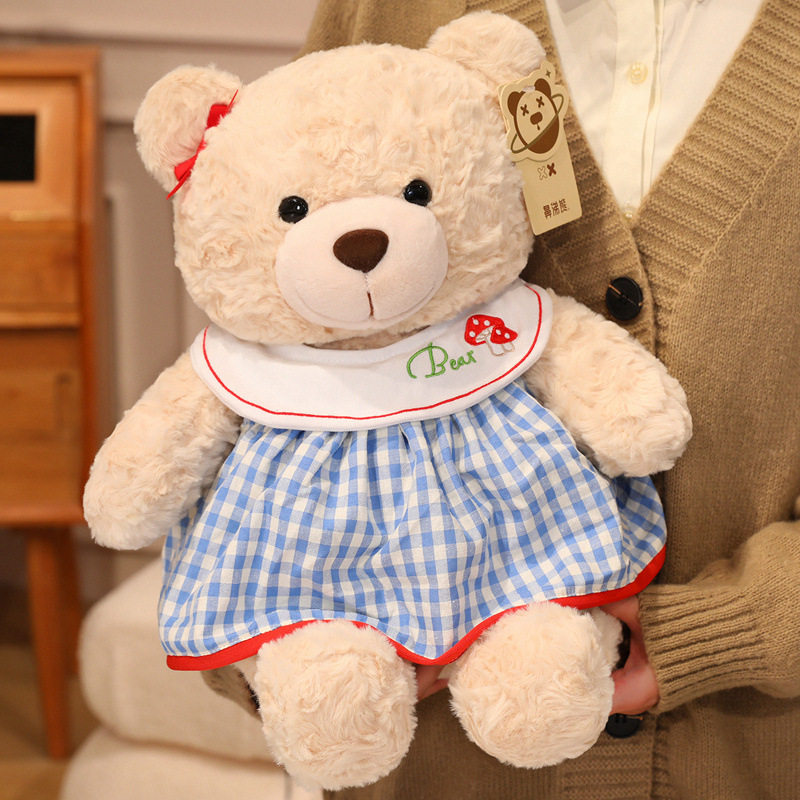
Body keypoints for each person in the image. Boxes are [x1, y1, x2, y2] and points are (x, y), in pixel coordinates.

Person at [207, 1, 800, 797]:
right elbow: (262, 321)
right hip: (436, 767)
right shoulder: (387, 11)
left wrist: (736, 627)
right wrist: (279, 646)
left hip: (752, 753)